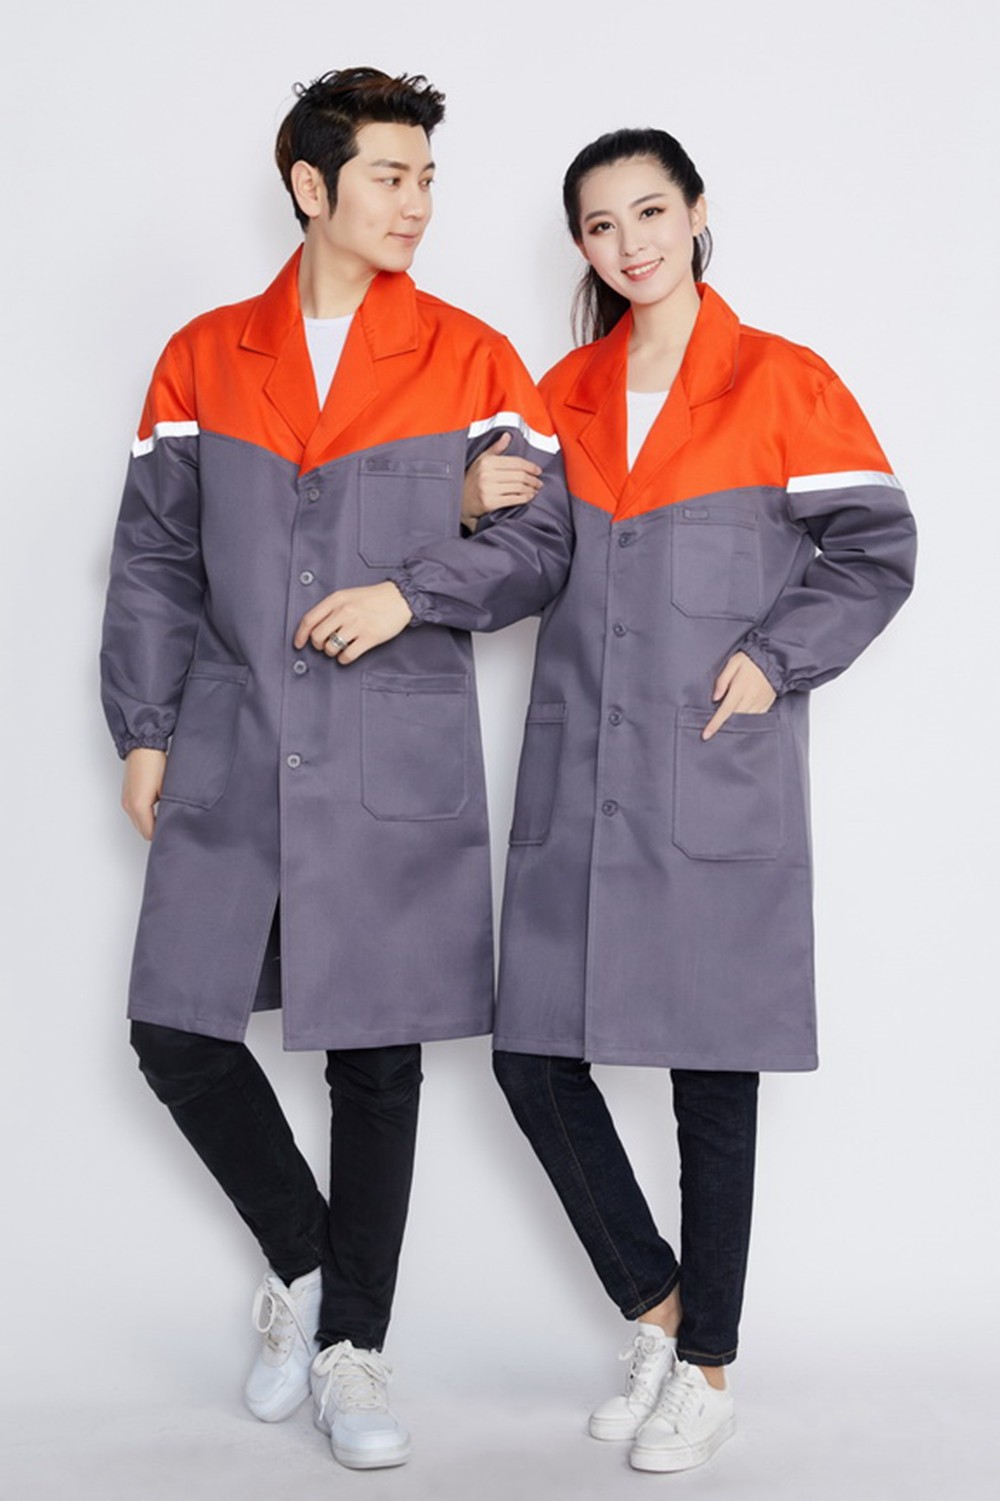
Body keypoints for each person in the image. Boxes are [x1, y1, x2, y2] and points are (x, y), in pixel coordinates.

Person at [300, 127, 916, 1473]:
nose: (630, 243)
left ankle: (709, 1370)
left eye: (649, 212)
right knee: (532, 1058)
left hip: (715, 768)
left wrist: (777, 656)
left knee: (713, 1074)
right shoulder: (564, 393)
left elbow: (878, 548)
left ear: (695, 213)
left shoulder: (783, 381)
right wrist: (459, 514)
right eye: (599, 224)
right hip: (579, 776)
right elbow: (527, 566)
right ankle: (663, 1312)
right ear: (580, 245)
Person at [99, 67, 568, 1472]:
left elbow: (541, 546)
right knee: (177, 1031)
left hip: (389, 744)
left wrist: (412, 588)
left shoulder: (473, 358)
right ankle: (312, 1272)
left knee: (375, 1052)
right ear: (312, 186)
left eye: (426, 179)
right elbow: (155, 556)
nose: (416, 204)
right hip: (234, 735)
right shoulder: (203, 357)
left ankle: (355, 1344)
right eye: (389, 176)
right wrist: (144, 726)